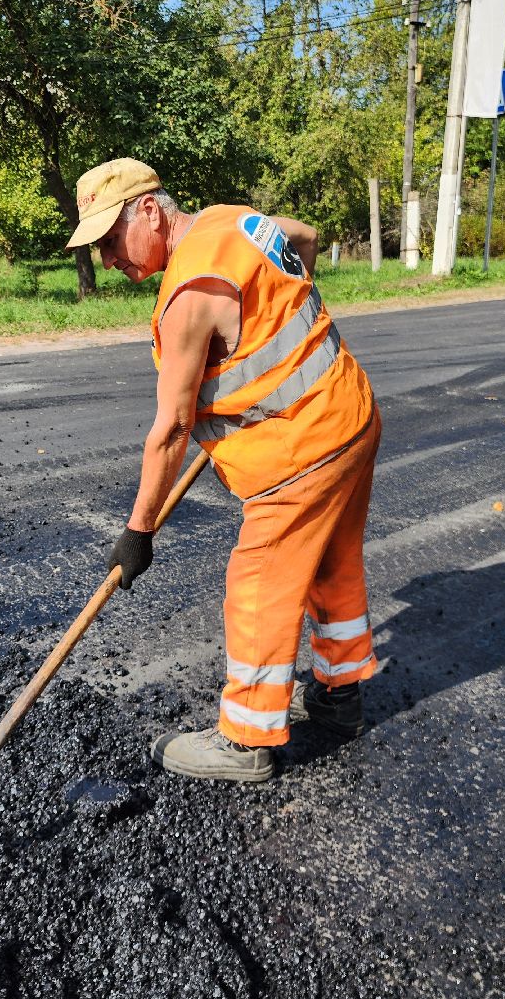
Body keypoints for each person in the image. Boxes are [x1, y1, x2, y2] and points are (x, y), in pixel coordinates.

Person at [65, 158, 381, 783]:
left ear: (150, 211)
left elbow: (172, 430)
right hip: (352, 418)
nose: (106, 259)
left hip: (300, 456)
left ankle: (246, 738)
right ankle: (340, 700)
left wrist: (139, 532)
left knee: (259, 582)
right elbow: (307, 239)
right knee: (331, 564)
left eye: (107, 240)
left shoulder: (190, 292)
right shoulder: (234, 222)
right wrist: (269, 350)